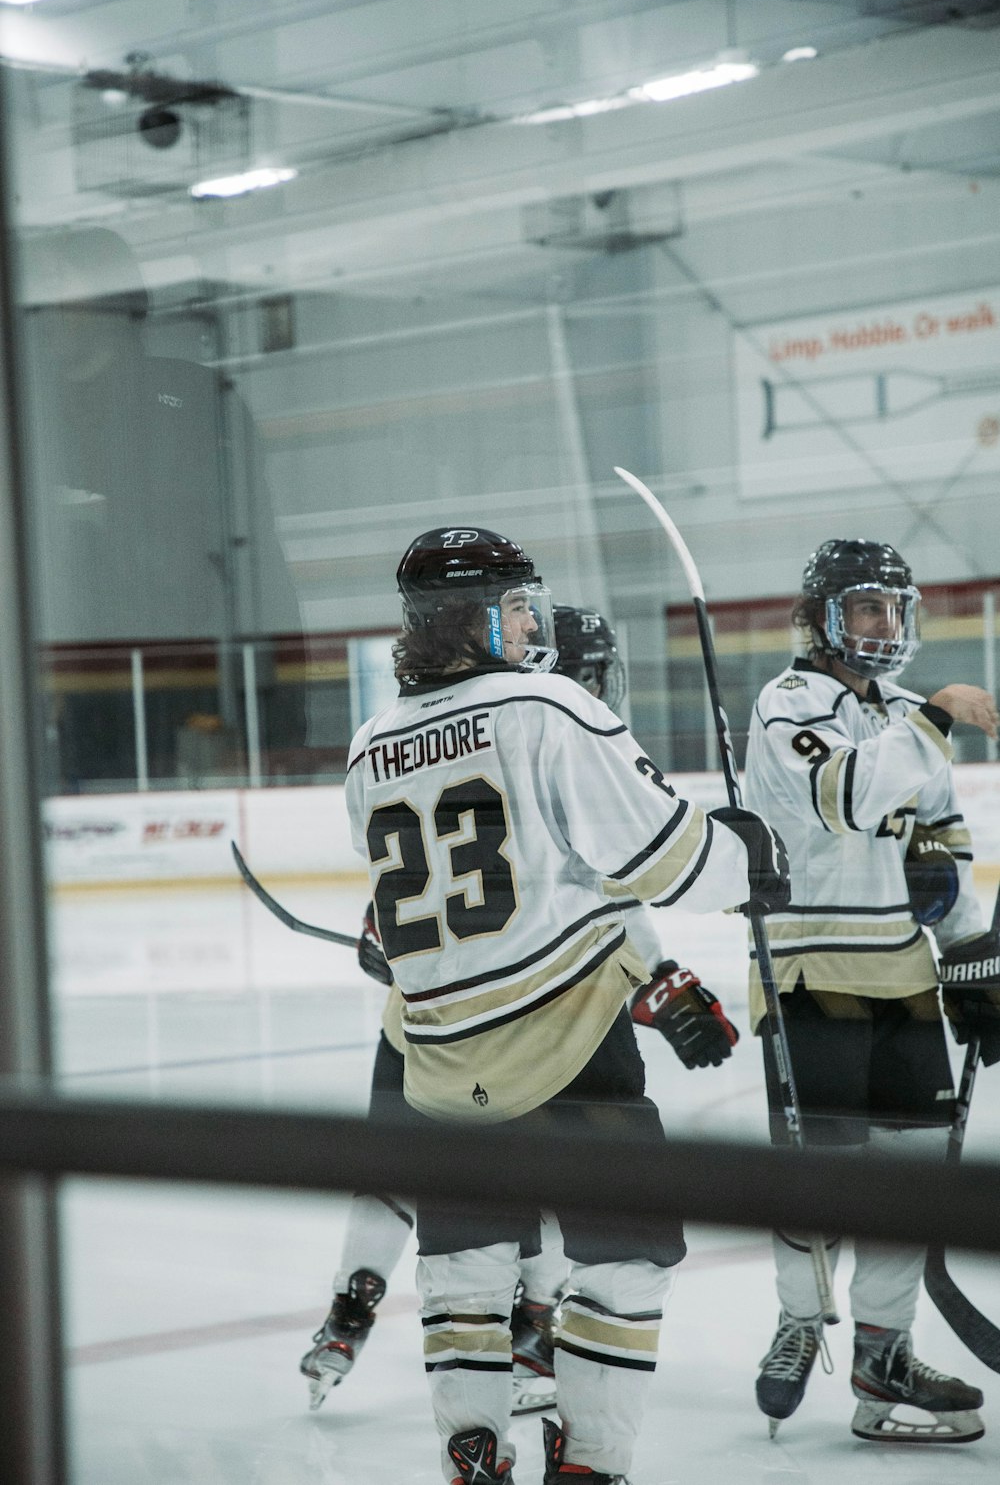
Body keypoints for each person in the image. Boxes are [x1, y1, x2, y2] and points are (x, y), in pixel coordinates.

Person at [343, 528, 789, 1485]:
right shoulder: (544, 704)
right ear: (466, 619)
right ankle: (589, 1462)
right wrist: (745, 857)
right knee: (624, 1263)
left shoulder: (369, 745)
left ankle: (471, 1452)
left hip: (436, 1060)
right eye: (511, 607)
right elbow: (657, 858)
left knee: (464, 1271)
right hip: (570, 1045)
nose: (528, 624)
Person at [299, 602, 741, 1414]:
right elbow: (603, 895)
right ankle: (522, 1333)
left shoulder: (406, 736)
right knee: (541, 1181)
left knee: (435, 1194)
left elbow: (415, 882)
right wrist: (662, 978)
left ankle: (375, 1317)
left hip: (428, 1027)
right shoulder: (547, 727)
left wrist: (383, 932)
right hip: (530, 1026)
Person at [744, 538, 1000, 1444]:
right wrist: (933, 715)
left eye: (894, 609)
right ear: (821, 617)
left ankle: (884, 1352)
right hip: (810, 974)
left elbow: (940, 848)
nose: (885, 627)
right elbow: (849, 794)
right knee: (819, 1175)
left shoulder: (904, 712)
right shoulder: (788, 704)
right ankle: (798, 1322)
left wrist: (973, 954)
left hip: (901, 977)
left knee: (906, 1180)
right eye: (864, 609)